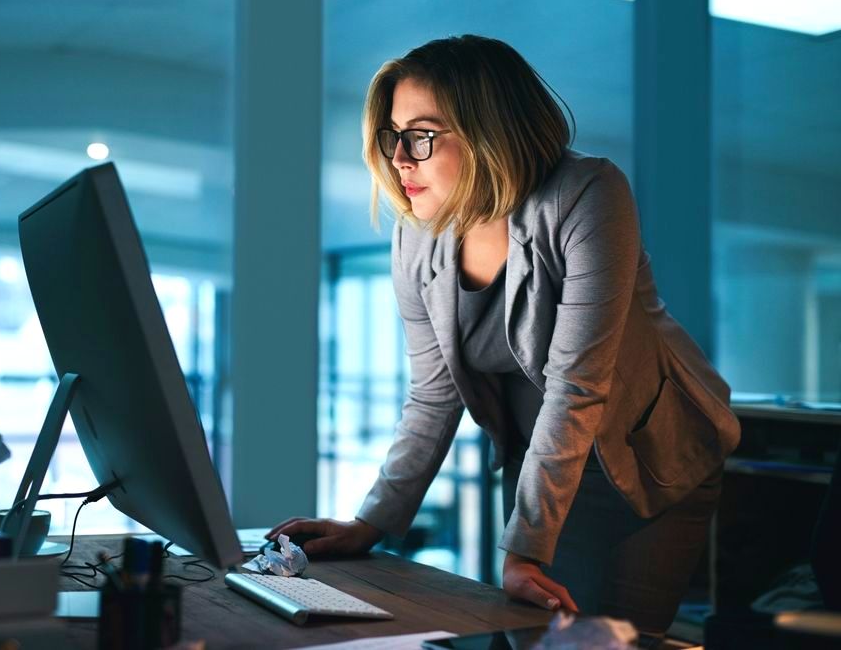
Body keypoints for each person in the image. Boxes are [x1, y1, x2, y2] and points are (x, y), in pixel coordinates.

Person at [268, 34, 740, 638]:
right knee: (530, 637)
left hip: (647, 458)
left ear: (489, 128)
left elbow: (577, 386)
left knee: (596, 643)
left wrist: (524, 552)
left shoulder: (588, 194)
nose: (400, 159)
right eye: (393, 136)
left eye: (422, 134)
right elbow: (434, 395)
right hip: (536, 459)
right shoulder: (418, 235)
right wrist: (371, 522)